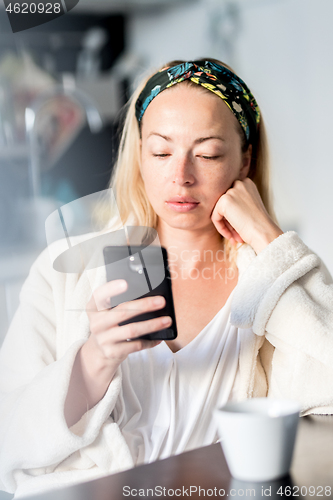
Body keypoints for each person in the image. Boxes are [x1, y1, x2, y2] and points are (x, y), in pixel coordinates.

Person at [1, 58, 333, 498]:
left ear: (244, 161)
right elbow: (10, 442)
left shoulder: (272, 277)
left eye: (209, 153)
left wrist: (270, 240)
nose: (181, 176)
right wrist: (92, 361)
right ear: (139, 156)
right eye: (161, 152)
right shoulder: (65, 269)